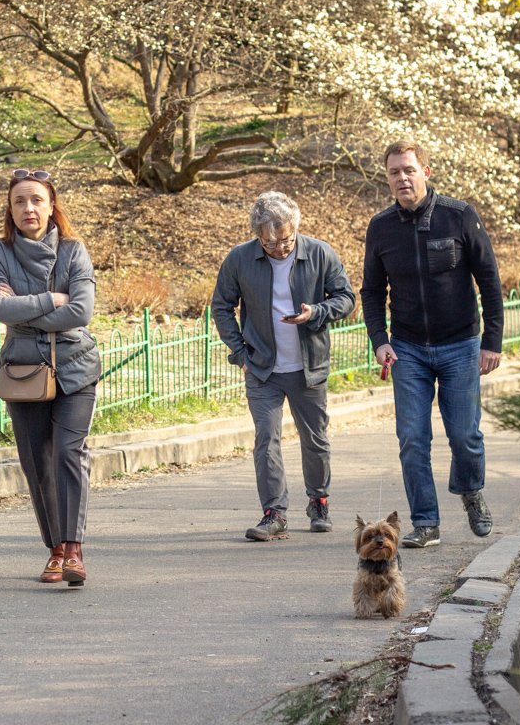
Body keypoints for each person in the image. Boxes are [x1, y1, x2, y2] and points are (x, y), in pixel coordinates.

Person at [360, 139, 504, 548]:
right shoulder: (381, 227)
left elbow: (490, 281)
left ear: (425, 170)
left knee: (464, 437)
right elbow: (371, 291)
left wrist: (490, 341)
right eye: (394, 172)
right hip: (407, 350)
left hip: (460, 345)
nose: (402, 178)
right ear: (386, 179)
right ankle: (426, 522)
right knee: (412, 439)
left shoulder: (459, 217)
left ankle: (471, 491)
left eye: (409, 169)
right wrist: (380, 341)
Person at [212, 191, 357, 541]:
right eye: (269, 242)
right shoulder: (240, 259)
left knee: (316, 439)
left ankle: (318, 501)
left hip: (309, 368)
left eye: (286, 240)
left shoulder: (320, 253)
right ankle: (274, 512)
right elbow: (221, 306)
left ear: (296, 229)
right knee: (267, 439)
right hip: (262, 369)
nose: (279, 248)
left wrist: (316, 313)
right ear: (257, 235)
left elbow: (347, 298)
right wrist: (240, 353)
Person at [0, 169, 101, 586]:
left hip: (76, 366)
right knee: (37, 463)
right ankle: (53, 551)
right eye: (19, 202)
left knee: (69, 452)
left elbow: (81, 312)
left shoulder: (73, 251)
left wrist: (25, 308)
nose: (28, 208)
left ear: (52, 206)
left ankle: (73, 550)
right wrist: (52, 299)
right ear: (10, 209)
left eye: (36, 200)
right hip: (24, 370)